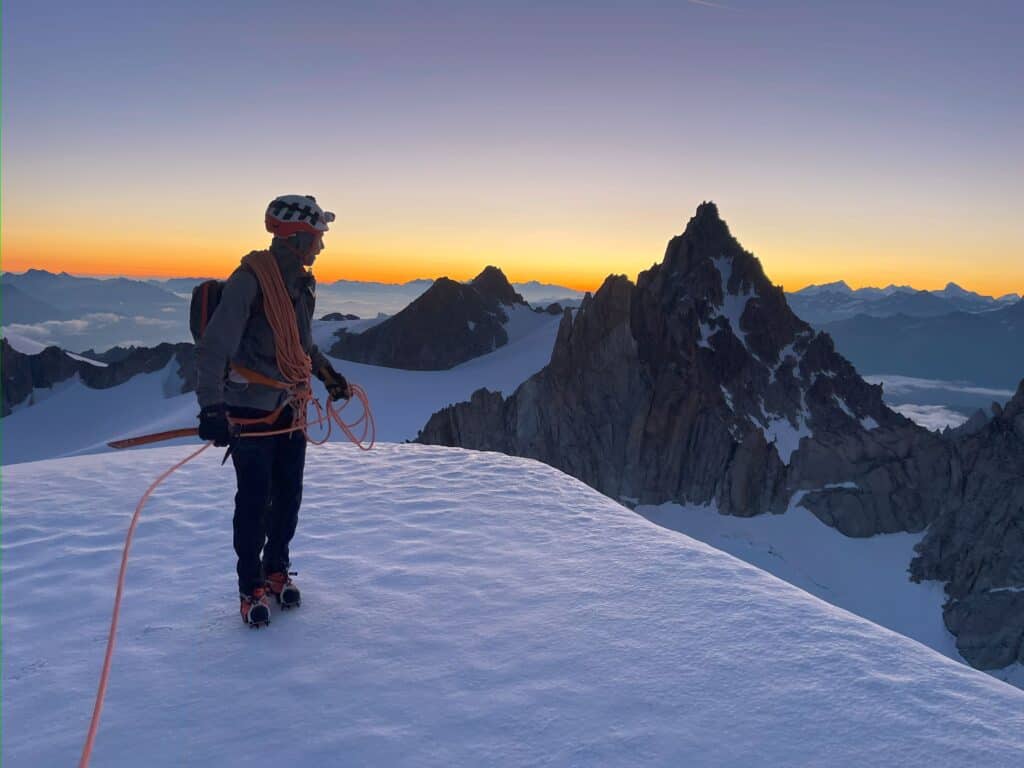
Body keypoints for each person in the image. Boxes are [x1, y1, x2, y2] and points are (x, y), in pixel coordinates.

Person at [195, 194, 352, 626]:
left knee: (287, 495)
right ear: (297, 238)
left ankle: (277, 567)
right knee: (253, 501)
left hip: (291, 407)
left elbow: (300, 345)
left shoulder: (301, 283)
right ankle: (252, 586)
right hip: (250, 410)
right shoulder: (250, 281)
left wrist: (326, 374)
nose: (321, 246)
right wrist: (212, 406)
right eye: (317, 237)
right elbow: (216, 347)